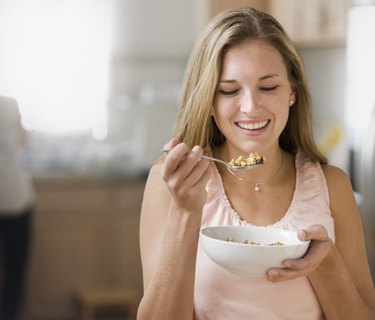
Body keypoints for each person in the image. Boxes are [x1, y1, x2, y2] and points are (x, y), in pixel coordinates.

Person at [137, 7, 375, 320]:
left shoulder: (332, 185)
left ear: (292, 91)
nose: (250, 107)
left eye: (268, 87)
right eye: (229, 90)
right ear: (208, 100)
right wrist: (185, 213)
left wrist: (325, 262)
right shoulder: (171, 184)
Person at [0, 95, 35, 320]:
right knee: (15, 269)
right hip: (15, 199)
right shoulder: (8, 104)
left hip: (15, 199)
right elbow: (24, 140)